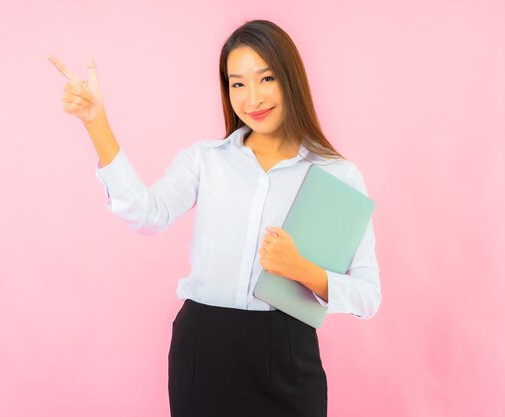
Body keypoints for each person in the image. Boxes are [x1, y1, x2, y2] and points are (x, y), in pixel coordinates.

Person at [49, 19, 381, 417]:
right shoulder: (205, 160)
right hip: (204, 347)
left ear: (291, 78)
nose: (252, 97)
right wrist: (96, 122)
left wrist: (303, 270)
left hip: (290, 351)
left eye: (266, 78)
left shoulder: (337, 176)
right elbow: (147, 215)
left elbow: (368, 295)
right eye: (237, 83)